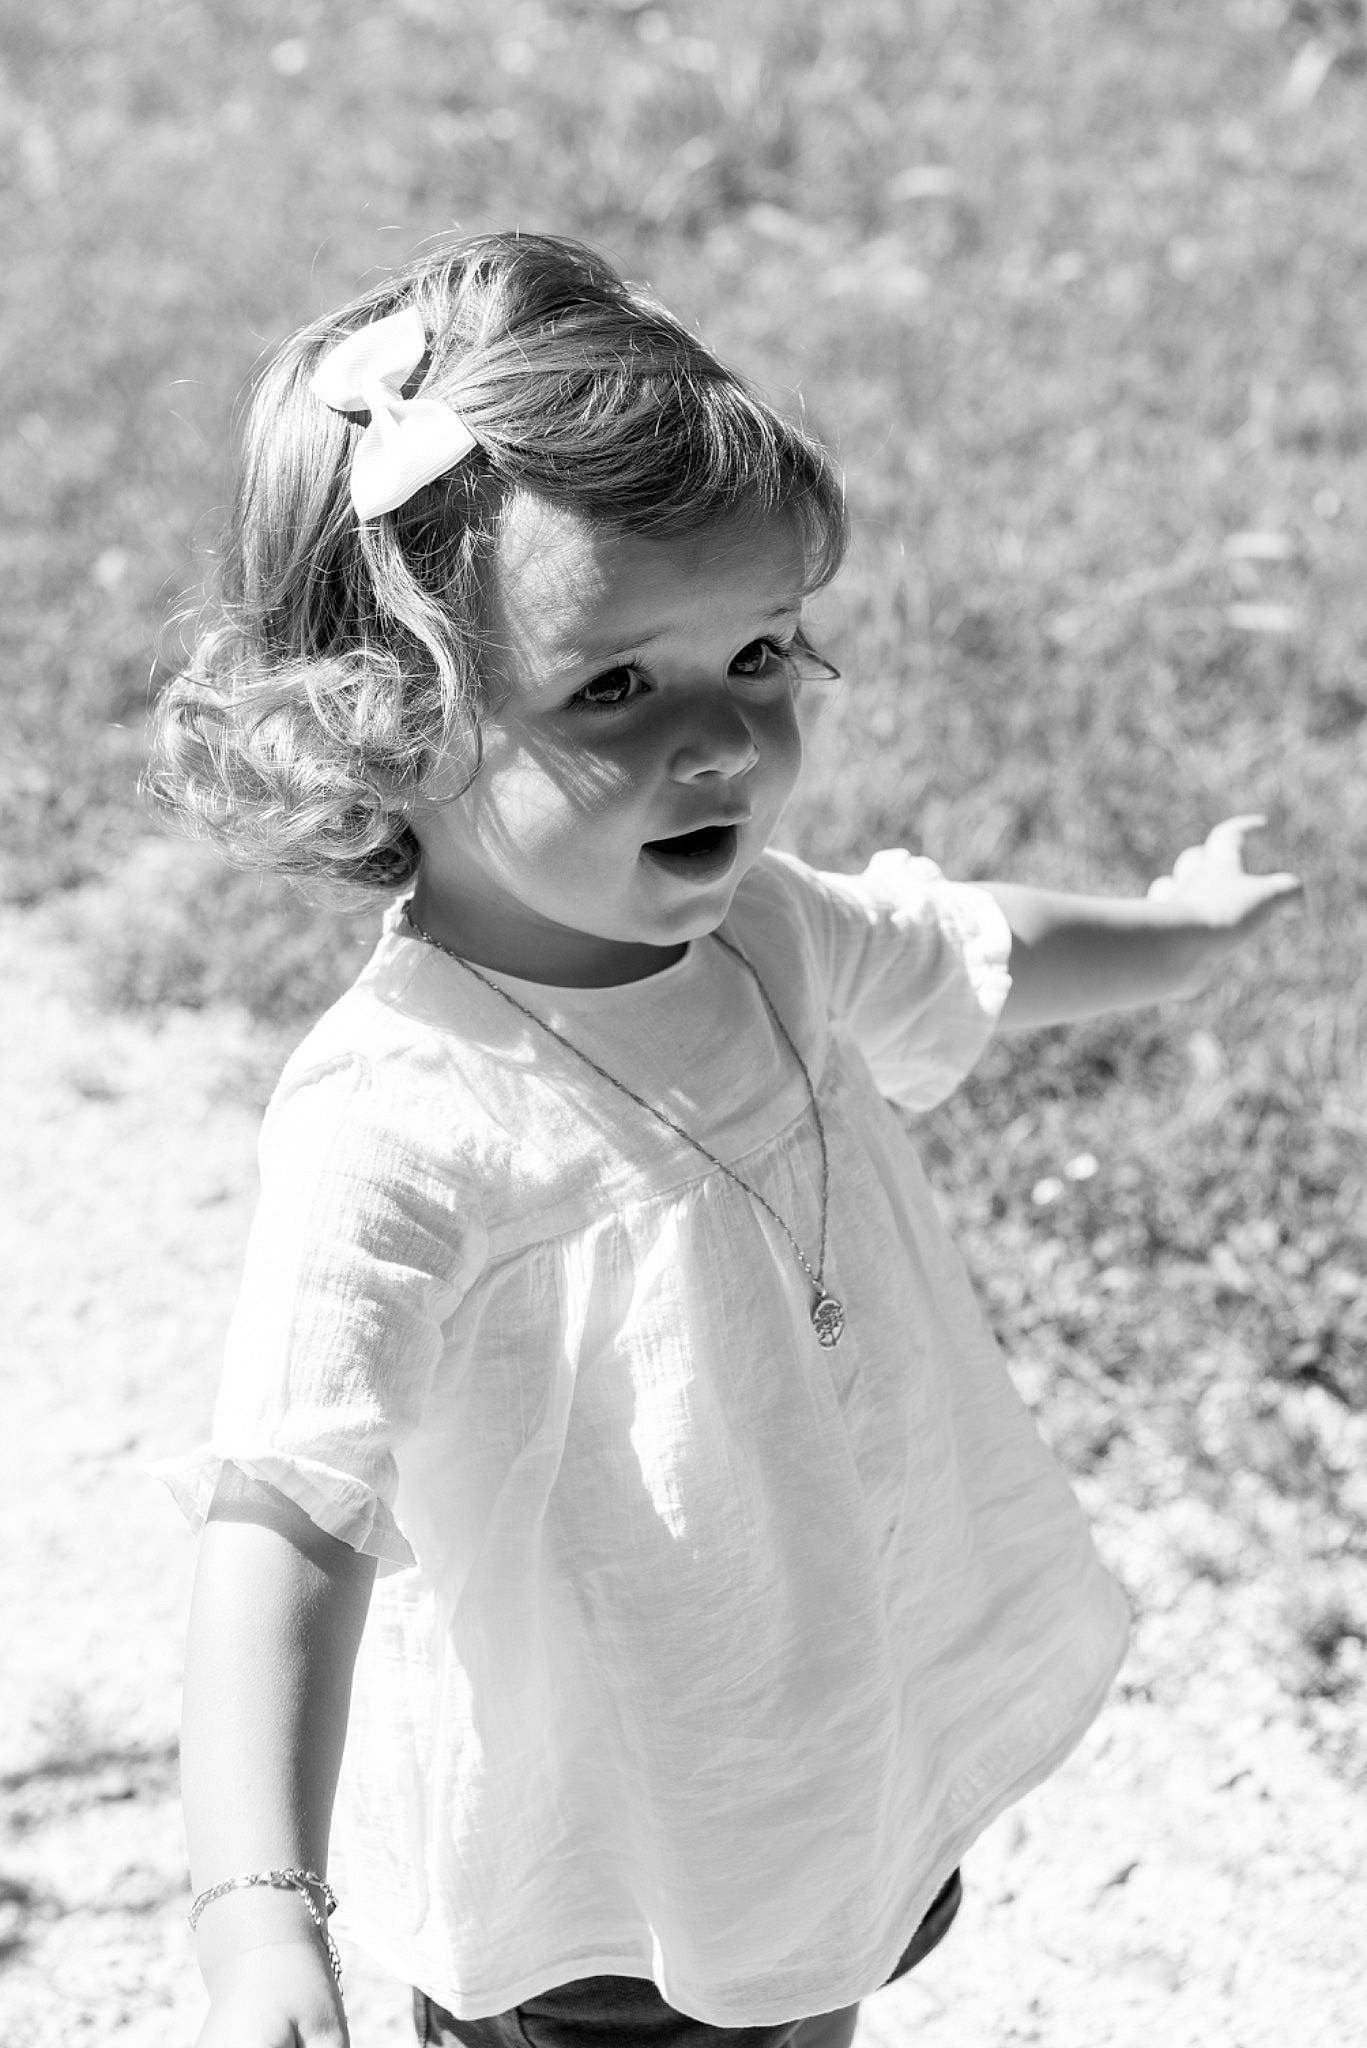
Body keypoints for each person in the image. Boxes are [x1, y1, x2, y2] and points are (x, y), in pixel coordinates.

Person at [146, 230, 1300, 2048]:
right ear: (388, 725)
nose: (725, 744)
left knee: (800, 1994)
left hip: (816, 1747)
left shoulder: (764, 935)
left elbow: (974, 946)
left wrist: (1186, 932)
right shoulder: (402, 1121)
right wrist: (255, 1917)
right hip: (600, 1868)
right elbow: (286, 1512)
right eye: (616, 687)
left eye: (760, 650)